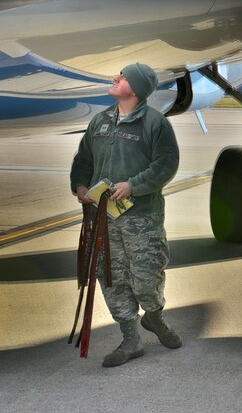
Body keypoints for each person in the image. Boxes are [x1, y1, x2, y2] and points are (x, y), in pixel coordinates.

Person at [70, 63, 181, 367]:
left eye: (122, 76)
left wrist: (133, 186)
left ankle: (154, 317)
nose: (115, 78)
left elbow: (166, 165)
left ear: (135, 88)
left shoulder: (155, 124)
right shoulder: (100, 121)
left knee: (146, 278)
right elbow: (84, 158)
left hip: (141, 218)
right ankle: (131, 339)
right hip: (102, 219)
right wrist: (80, 185)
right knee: (111, 278)